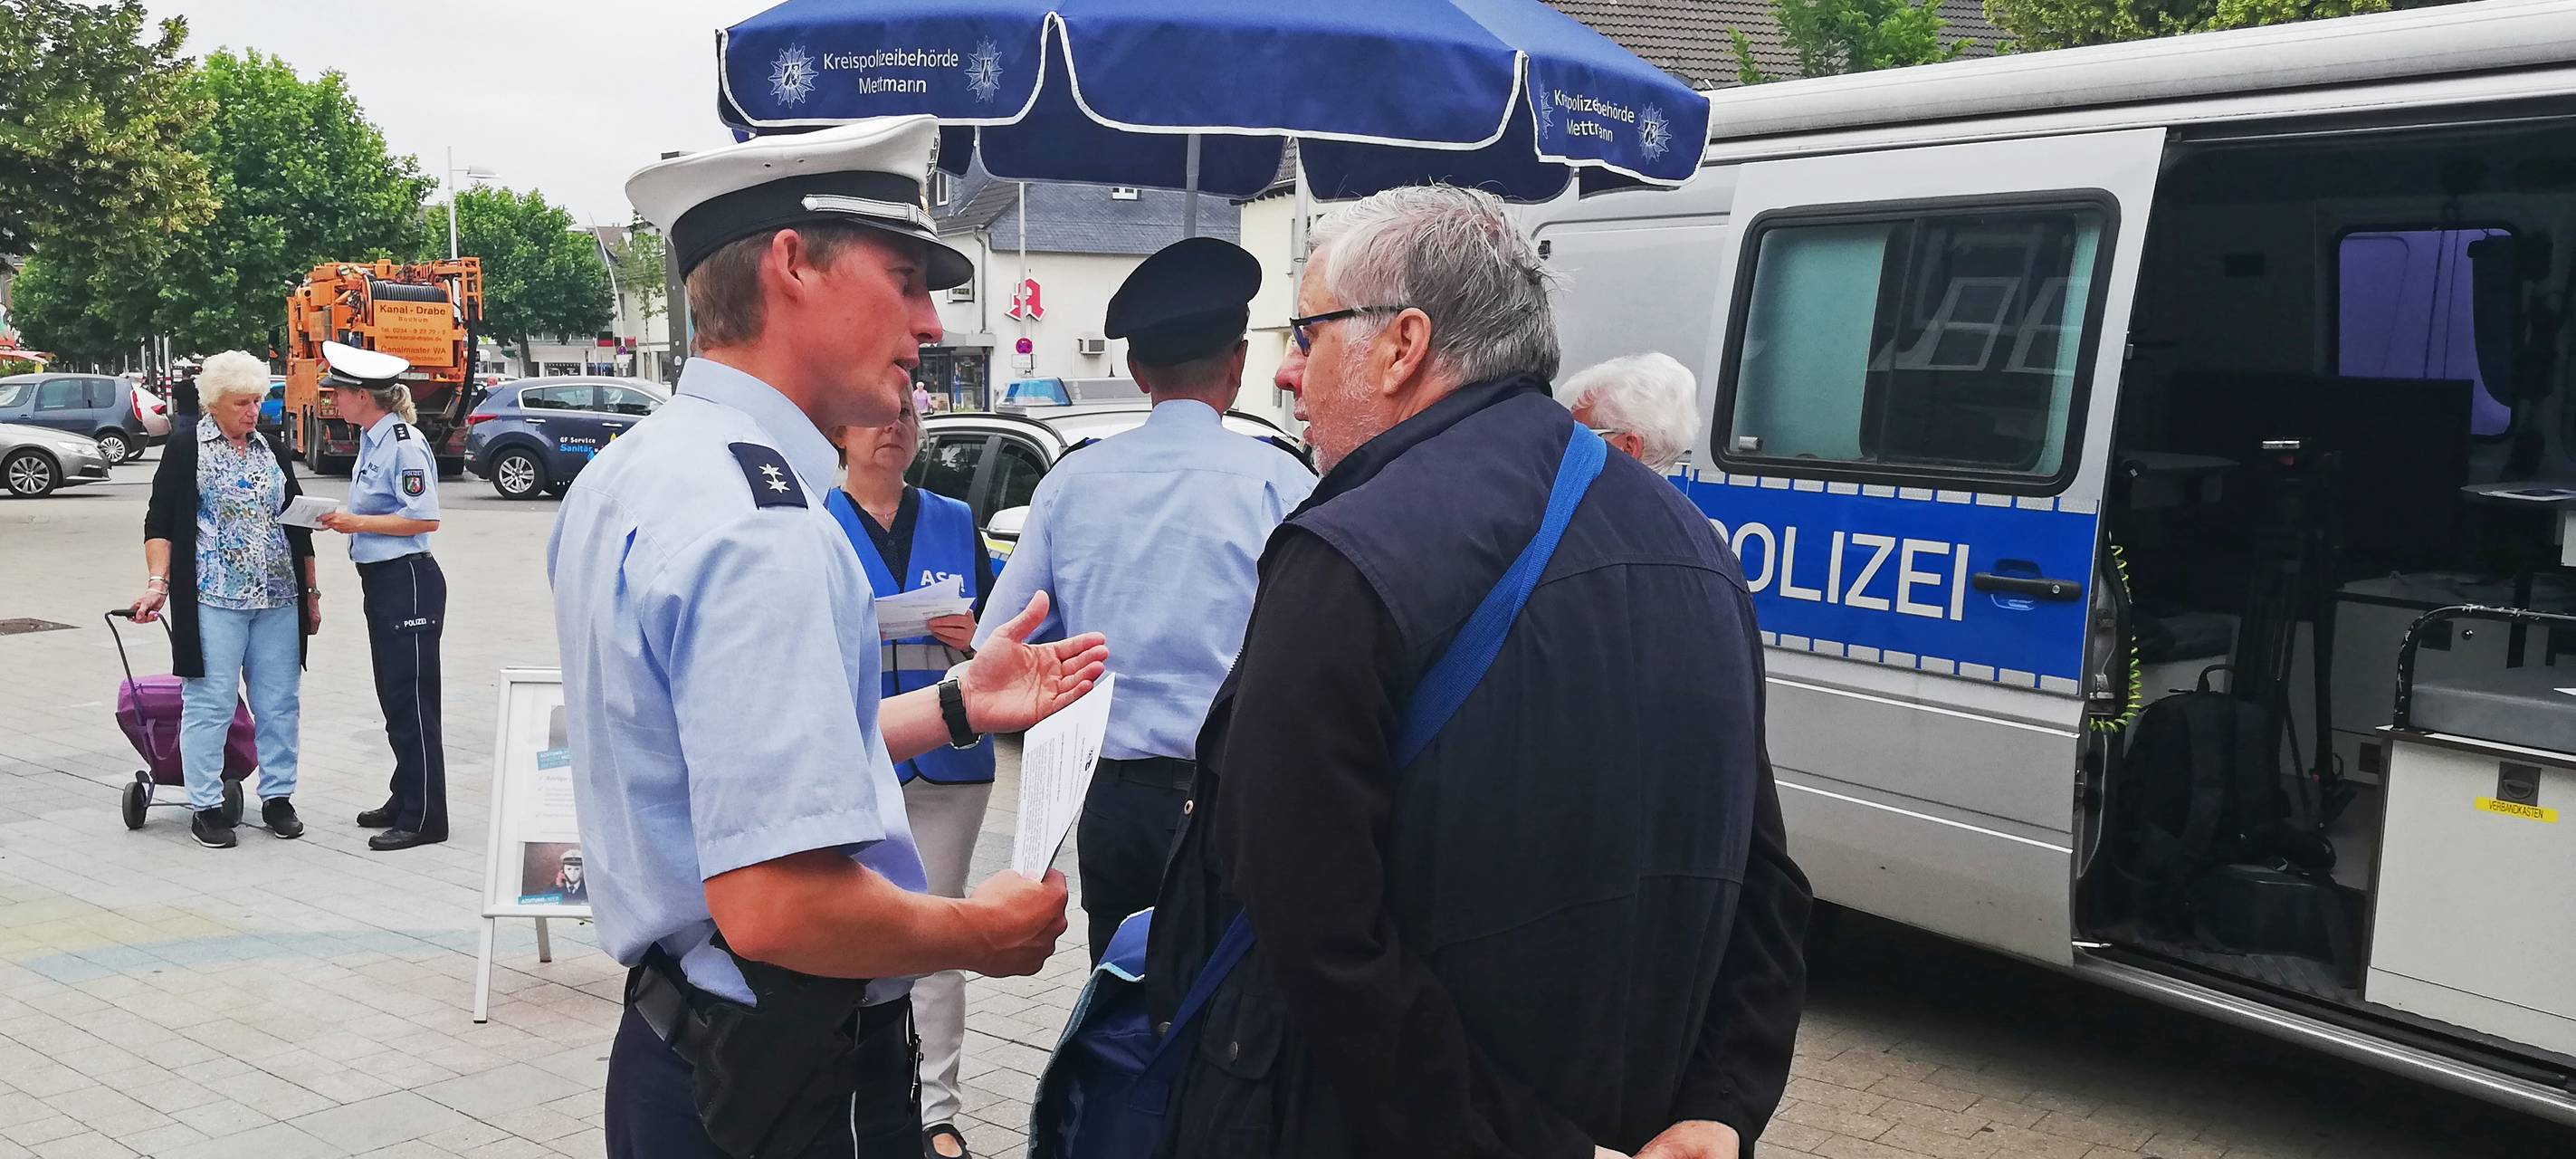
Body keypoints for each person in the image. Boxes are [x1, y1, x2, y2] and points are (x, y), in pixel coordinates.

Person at [1144, 185, 1813, 1159]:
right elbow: (1762, 876)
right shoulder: (1695, 546)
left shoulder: (1345, 551)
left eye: (1307, 331)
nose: (1287, 371)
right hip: (1640, 1119)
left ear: (1402, 343)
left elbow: (1310, 924)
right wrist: (1721, 1102)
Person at [552, 116, 1100, 1159]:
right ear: (793, 264)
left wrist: (954, 704)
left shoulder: (642, 467)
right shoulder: (767, 528)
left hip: (682, 1048)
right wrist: (979, 933)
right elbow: (777, 903)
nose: (929, 323)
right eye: (904, 276)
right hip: (783, 1069)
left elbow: (725, 761)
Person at [974, 236, 1317, 960]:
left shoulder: (1074, 481)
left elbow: (997, 642)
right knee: (1229, 1004)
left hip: (1114, 798)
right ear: (1239, 362)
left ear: (1135, 371)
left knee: (1119, 1001)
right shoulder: (1281, 482)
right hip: (1242, 792)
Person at [823, 402, 999, 1159]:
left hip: (949, 766)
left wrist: (974, 638)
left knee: (934, 935)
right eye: (873, 417)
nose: (892, 428)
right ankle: (853, 1091)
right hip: (855, 764)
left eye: (904, 417)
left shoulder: (957, 519)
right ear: (840, 434)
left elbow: (1000, 636)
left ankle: (937, 1112)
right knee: (855, 938)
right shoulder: (813, 518)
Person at [130, 350, 320, 849]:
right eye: (241, 403)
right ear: (214, 403)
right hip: (214, 599)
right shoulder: (186, 447)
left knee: (279, 704)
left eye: (257, 401)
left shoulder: (272, 450)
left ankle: (278, 797)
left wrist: (312, 592)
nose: (252, 412)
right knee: (210, 703)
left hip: (278, 598)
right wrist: (157, 584)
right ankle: (207, 805)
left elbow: (297, 523)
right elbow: (160, 522)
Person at [314, 342, 450, 852]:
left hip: (408, 579)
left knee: (413, 700)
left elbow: (425, 518)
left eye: (338, 392)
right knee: (394, 696)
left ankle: (425, 817)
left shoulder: (403, 444)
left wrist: (355, 522)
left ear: (363, 397)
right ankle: (405, 793)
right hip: (384, 581)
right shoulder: (374, 439)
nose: (332, 400)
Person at [1560, 351, 1698, 473]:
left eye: (1578, 436)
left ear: (1628, 448)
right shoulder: (1665, 500)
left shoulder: (1582, 500)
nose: (1564, 448)